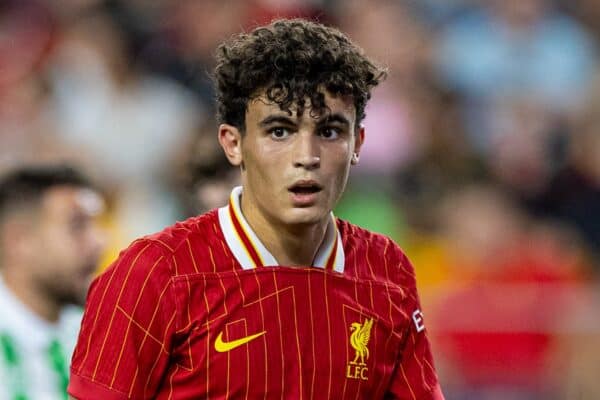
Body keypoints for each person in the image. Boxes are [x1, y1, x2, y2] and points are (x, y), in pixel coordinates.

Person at [68, 19, 445, 399]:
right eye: (279, 131)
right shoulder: (151, 273)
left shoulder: (387, 270)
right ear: (233, 145)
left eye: (329, 131)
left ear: (358, 143)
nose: (307, 157)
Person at [0, 164, 105, 399]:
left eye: (96, 225)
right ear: (18, 241)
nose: (99, 242)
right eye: (78, 226)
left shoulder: (99, 338)